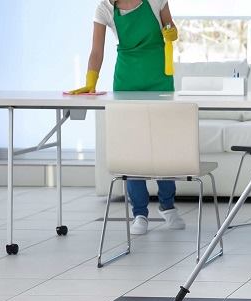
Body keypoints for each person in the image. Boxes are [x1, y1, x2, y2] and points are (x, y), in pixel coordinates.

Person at [69, 0, 185, 235]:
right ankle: (140, 213)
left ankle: (167, 206)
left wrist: (171, 33)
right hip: (126, 81)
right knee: (133, 148)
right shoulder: (104, 8)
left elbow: (170, 28)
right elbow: (97, 50)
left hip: (159, 79)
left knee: (163, 145)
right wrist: (91, 82)